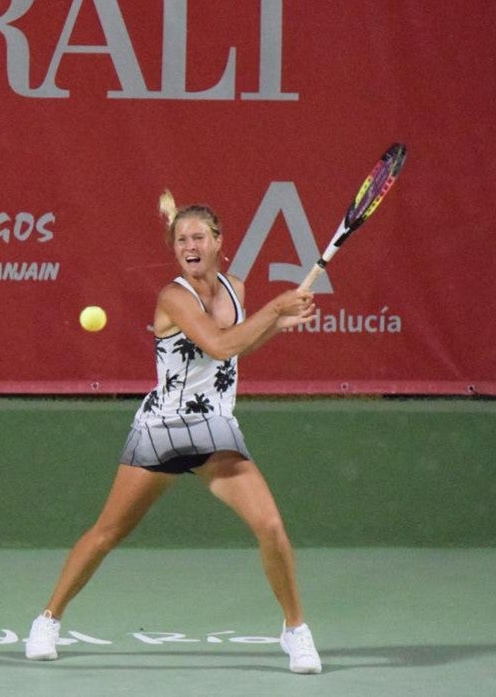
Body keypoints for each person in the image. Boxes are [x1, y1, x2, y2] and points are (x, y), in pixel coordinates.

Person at [23, 190, 323, 675]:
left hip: (215, 433)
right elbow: (220, 345)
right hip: (162, 430)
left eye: (198, 236)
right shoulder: (172, 297)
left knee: (269, 526)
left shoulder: (236, 290)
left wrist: (278, 324)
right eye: (181, 238)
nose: (189, 244)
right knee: (107, 533)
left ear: (218, 242)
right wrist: (276, 308)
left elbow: (236, 349)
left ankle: (296, 631)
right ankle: (48, 618)